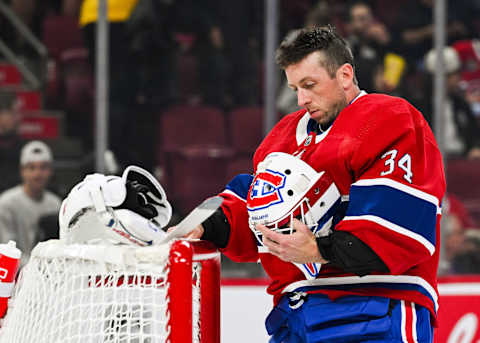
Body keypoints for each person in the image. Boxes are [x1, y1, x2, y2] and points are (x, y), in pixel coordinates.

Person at [181, 26, 446, 342]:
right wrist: (206, 224)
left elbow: (398, 229)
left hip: (376, 307)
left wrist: (318, 249)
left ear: (345, 75)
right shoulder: (279, 139)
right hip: (296, 314)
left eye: (310, 85)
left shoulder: (392, 119)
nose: (302, 99)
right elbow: (253, 209)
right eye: (295, 88)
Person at [0, 141, 61, 263]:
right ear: (22, 171)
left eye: (43, 168)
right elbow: (6, 252)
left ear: (50, 171)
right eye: (31, 167)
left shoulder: (55, 204)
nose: (37, 174)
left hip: (48, 273)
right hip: (14, 275)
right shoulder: (6, 203)